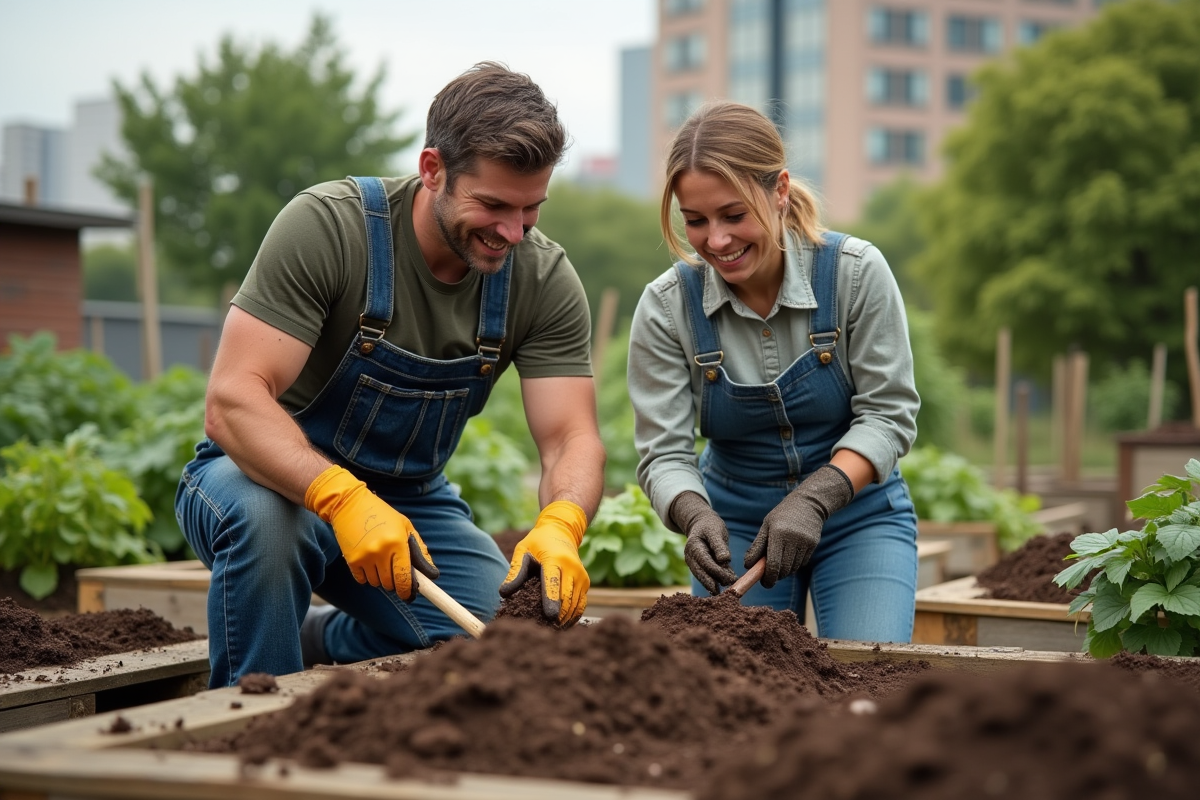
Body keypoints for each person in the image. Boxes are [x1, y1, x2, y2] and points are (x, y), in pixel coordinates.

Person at [176, 62, 606, 687]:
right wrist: (340, 497)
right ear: (433, 170)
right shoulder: (329, 228)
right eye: (492, 205)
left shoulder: (541, 279)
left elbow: (572, 436)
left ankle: (318, 636)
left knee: (499, 638)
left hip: (409, 503)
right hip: (256, 479)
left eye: (530, 209)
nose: (512, 231)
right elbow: (234, 400)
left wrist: (562, 522)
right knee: (271, 526)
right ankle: (246, 717)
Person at [627, 101, 920, 643]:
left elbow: (888, 414)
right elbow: (664, 451)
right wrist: (694, 515)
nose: (716, 241)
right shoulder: (668, 308)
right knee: (740, 692)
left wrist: (815, 498)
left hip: (857, 516)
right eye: (695, 221)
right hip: (733, 528)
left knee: (868, 674)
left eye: (734, 215)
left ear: (779, 190)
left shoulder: (854, 274)